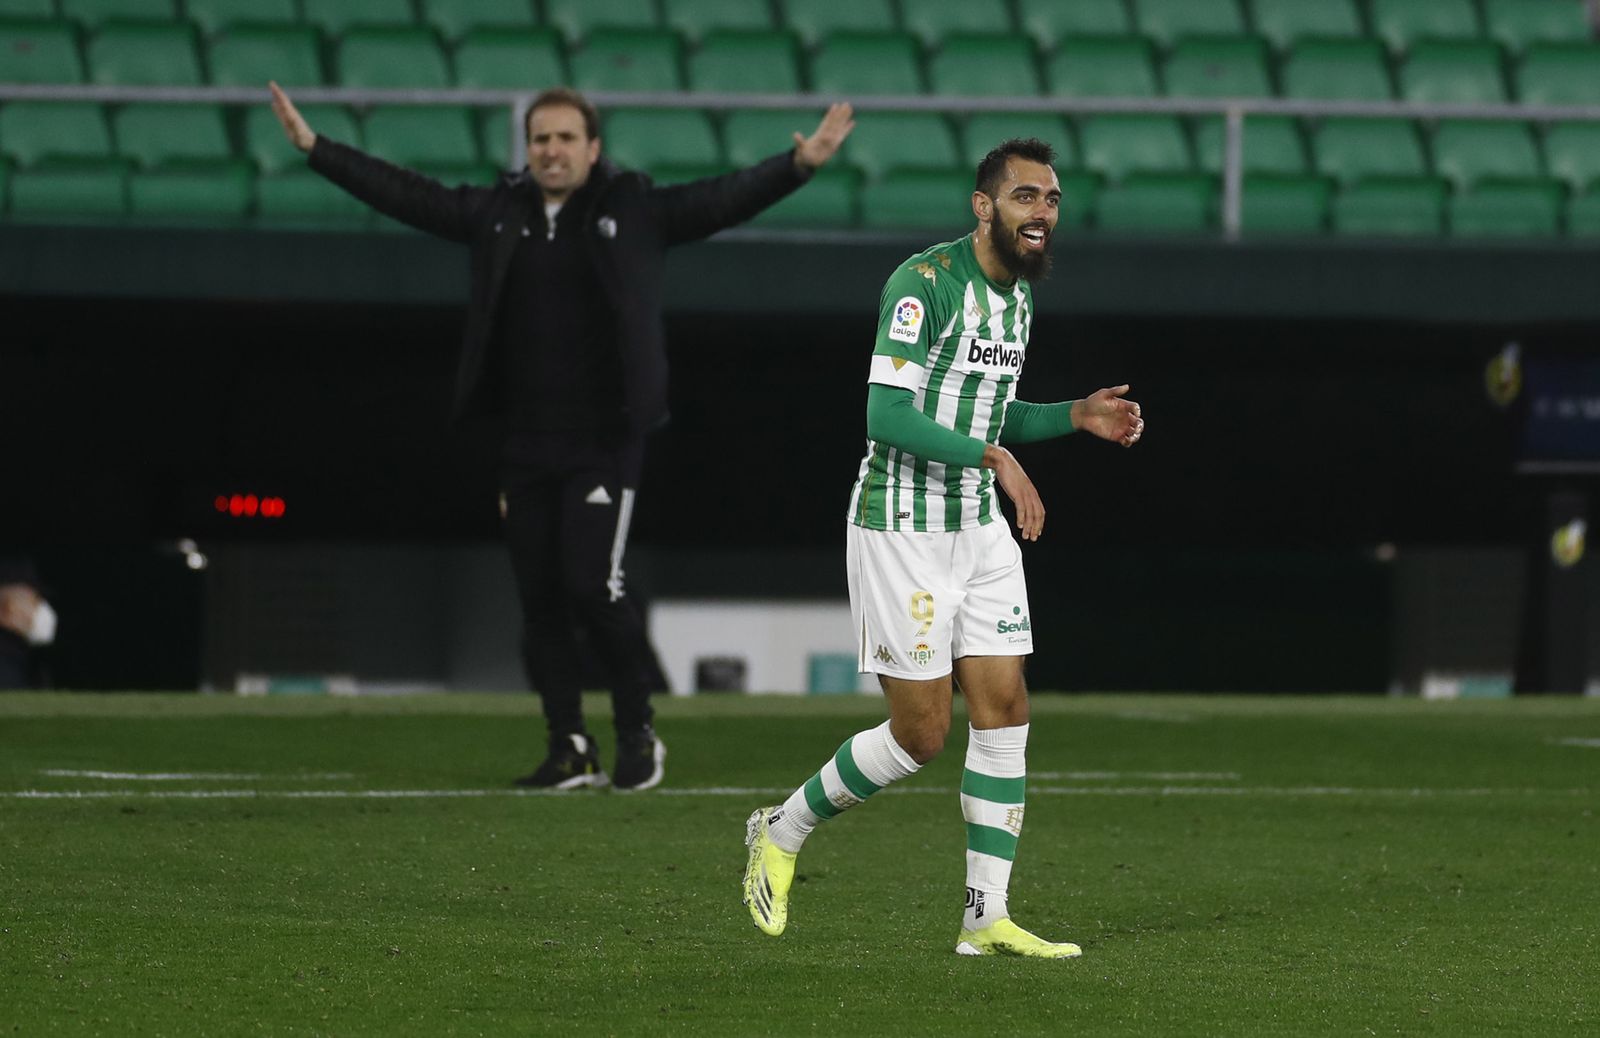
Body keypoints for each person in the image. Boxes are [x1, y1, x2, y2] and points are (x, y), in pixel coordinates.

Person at [267, 83, 855, 791]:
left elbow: (719, 199)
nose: (551, 149)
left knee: (593, 588)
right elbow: (408, 195)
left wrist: (799, 166)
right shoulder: (498, 215)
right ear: (528, 148)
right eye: (540, 138)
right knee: (540, 600)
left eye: (565, 138)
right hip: (525, 442)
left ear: (593, 148)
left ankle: (638, 730)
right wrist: (316, 150)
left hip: (605, 439)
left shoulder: (631, 208)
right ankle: (568, 745)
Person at [740, 138, 1145, 957]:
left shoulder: (1021, 300)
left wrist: (1071, 415)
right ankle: (780, 831)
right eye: (1026, 196)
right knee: (921, 735)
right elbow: (885, 417)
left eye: (1052, 200)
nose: (1042, 213)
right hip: (902, 530)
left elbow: (989, 413)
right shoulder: (923, 287)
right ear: (983, 205)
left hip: (978, 530)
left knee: (1004, 710)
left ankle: (984, 917)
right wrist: (994, 457)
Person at [0, 555, 56, 690]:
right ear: (7, 607)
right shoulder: (6, 672)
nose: (41, 608)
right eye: (34, 600)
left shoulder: (33, 664)